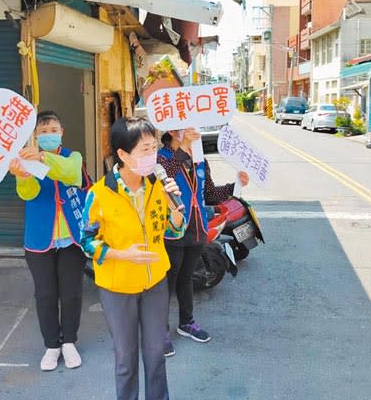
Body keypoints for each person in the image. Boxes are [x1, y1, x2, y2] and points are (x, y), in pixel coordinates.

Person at [79, 117, 185, 400]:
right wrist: (120, 254)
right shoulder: (100, 194)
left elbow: (171, 229)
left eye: (154, 148)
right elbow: (86, 242)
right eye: (145, 150)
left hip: (155, 285)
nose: (153, 156)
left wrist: (176, 214)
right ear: (123, 155)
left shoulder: (158, 186)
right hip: (117, 288)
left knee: (156, 356)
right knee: (125, 361)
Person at [9, 110, 91, 372]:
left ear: (61, 132)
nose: (48, 135)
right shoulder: (26, 159)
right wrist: (22, 175)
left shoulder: (72, 157)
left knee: (71, 294)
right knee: (45, 295)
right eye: (42, 132)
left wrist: (43, 157)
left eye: (52, 130)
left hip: (71, 240)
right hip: (39, 239)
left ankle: (69, 342)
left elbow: (70, 174)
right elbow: (28, 194)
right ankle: (51, 346)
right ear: (35, 135)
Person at [157, 128, 249, 357]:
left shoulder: (199, 160)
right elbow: (163, 179)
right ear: (172, 130)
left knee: (187, 278)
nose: (193, 132)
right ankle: (159, 332)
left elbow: (209, 193)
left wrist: (236, 185)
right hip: (172, 230)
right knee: (167, 281)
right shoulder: (161, 158)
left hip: (197, 229)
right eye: (185, 129)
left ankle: (186, 323)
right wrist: (183, 146)